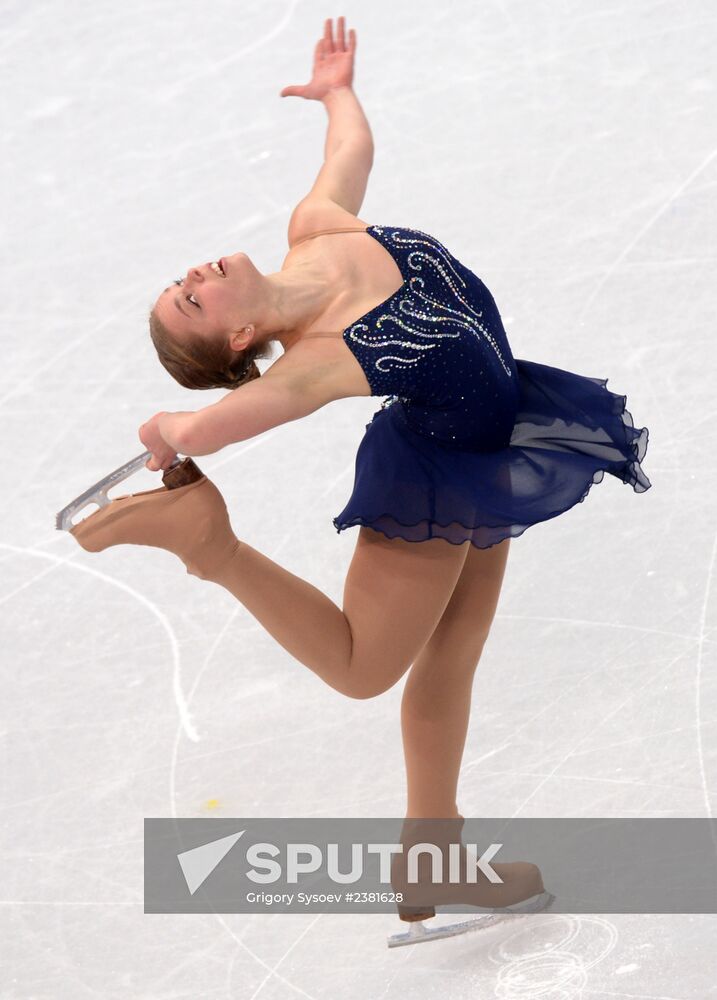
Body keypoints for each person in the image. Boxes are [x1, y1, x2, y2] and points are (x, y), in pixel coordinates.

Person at [70, 17, 649, 920]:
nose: (192, 273)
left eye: (182, 279)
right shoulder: (315, 360)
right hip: (432, 476)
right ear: (234, 336)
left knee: (452, 655)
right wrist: (170, 423)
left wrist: (336, 93)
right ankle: (208, 543)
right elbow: (222, 421)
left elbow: (350, 153)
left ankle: (433, 859)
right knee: (360, 666)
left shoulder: (315, 230)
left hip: (491, 447)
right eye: (190, 297)